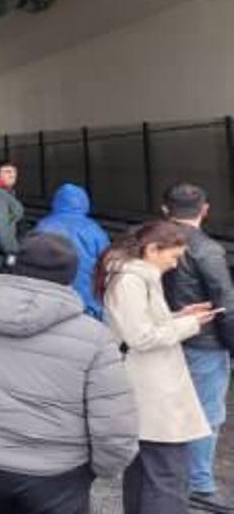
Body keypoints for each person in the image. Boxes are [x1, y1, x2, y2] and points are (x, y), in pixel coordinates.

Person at [0, 234, 139, 514]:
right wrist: (103, 468)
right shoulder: (94, 337)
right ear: (71, 276)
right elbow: (113, 422)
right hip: (58, 471)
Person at [99, 220, 215, 514]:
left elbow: (139, 326)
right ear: (152, 249)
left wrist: (180, 315)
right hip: (151, 387)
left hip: (142, 382)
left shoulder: (129, 274)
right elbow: (141, 336)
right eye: (173, 257)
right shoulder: (132, 279)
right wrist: (190, 325)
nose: (175, 265)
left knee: (145, 470)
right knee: (167, 473)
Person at [161, 183, 234, 512]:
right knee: (206, 414)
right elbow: (225, 305)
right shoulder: (207, 249)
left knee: (168, 409)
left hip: (163, 337)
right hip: (204, 343)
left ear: (165, 209)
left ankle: (170, 477)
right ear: (205, 209)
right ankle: (200, 485)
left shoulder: (149, 243)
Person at [34, 183, 110, 319]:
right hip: (86, 296)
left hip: (51, 292)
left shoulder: (43, 226)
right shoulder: (93, 229)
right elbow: (107, 261)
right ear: (84, 202)